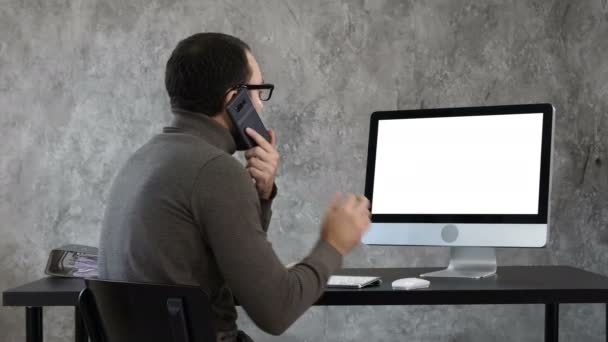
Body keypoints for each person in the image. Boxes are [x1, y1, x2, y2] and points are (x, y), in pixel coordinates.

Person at [98, 32, 370, 342]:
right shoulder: (216, 170)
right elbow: (277, 310)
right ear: (234, 100)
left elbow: (232, 269)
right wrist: (334, 244)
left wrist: (260, 195)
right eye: (257, 93)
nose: (261, 107)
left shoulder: (145, 158)